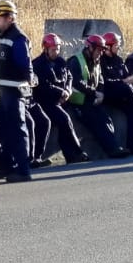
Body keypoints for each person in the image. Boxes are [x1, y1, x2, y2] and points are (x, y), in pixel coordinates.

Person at [0, 1, 36, 180]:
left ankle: (23, 170)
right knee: (4, 130)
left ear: (10, 18)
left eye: (0, 18)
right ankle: (8, 167)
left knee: (17, 130)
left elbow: (25, 66)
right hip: (1, 92)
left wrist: (28, 80)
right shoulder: (0, 35)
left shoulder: (18, 37)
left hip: (13, 92)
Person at [33, 31, 88, 164]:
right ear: (45, 49)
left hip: (60, 100)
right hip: (45, 101)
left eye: (58, 48)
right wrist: (61, 92)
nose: (56, 51)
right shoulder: (38, 64)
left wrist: (68, 90)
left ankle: (71, 155)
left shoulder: (60, 61)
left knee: (65, 122)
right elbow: (44, 86)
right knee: (64, 119)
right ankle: (77, 151)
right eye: (53, 49)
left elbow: (69, 76)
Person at [69, 33, 127, 157]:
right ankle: (112, 150)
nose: (101, 53)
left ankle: (115, 147)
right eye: (99, 50)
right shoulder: (75, 61)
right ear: (90, 48)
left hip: (91, 100)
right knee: (98, 123)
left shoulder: (96, 61)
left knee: (107, 120)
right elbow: (77, 82)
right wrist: (95, 93)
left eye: (102, 50)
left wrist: (100, 93)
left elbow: (100, 79)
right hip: (78, 103)